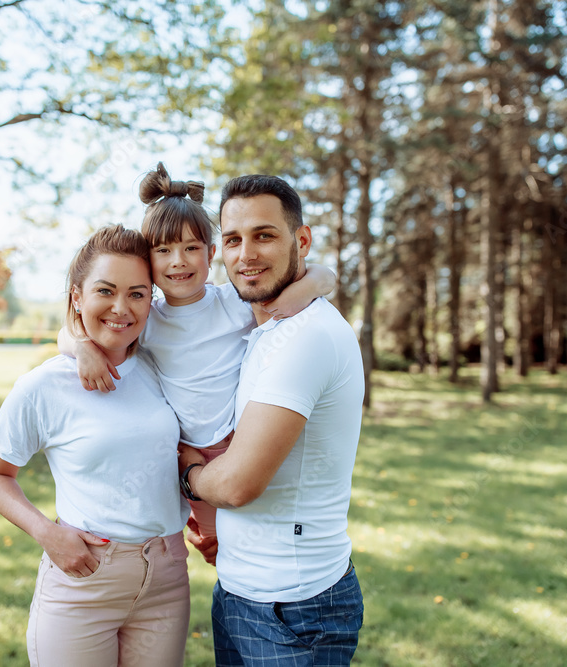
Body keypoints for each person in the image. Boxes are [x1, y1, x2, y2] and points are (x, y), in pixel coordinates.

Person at [61, 163, 335, 542]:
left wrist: (303, 292)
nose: (179, 261)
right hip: (186, 452)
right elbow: (69, 330)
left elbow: (323, 276)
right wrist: (82, 348)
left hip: (241, 441)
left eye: (192, 248)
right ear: (148, 261)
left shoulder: (233, 303)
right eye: (164, 250)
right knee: (212, 542)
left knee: (250, 531)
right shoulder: (147, 320)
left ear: (211, 253)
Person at [0, 224, 191, 667]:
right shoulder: (42, 386)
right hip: (85, 578)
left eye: (137, 294)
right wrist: (46, 532)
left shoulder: (162, 365)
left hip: (167, 580)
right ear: (77, 296)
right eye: (105, 291)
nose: (121, 308)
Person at [177, 174, 366, 665]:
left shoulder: (305, 336)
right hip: (242, 591)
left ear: (300, 240)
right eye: (235, 240)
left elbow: (239, 483)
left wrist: (187, 474)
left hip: (294, 607)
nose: (247, 255)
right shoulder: (259, 324)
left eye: (265, 235)